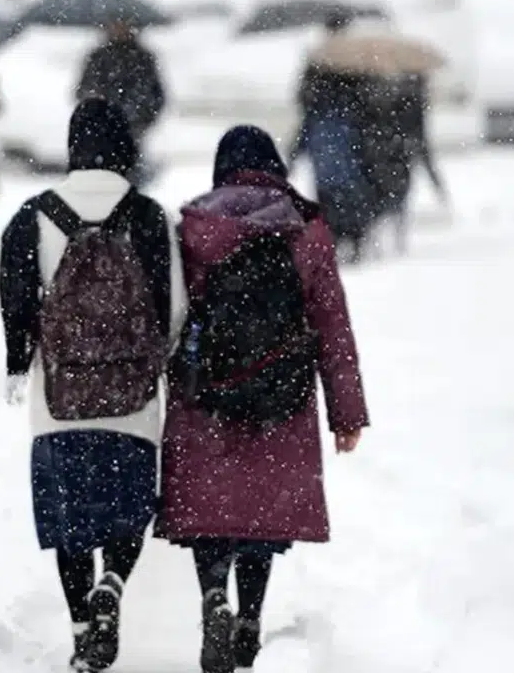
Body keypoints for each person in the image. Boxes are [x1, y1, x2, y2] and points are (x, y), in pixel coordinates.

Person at [157, 126, 369, 673]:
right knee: (259, 515)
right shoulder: (305, 229)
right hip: (282, 395)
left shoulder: (194, 228)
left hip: (206, 397)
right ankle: (249, 618)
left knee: (211, 513)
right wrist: (347, 413)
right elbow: (333, 327)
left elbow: (170, 317)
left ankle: (214, 596)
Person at [0, 99, 185, 672]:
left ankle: (83, 629)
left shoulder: (34, 216)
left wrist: (18, 362)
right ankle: (113, 582)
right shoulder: (149, 217)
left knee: (71, 522)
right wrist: (153, 360)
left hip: (60, 399)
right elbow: (174, 308)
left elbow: (16, 302)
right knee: (129, 509)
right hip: (132, 399)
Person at [286, 13, 379, 264]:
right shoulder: (356, 60)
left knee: (329, 190)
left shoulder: (319, 60)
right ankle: (351, 237)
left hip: (325, 135)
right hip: (345, 136)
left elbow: (304, 99)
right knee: (348, 188)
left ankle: (336, 238)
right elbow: (367, 103)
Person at [361, 73, 449, 255]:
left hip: (383, 157)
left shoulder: (382, 94)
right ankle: (395, 242)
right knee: (397, 201)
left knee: (382, 201)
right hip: (399, 159)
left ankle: (382, 241)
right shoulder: (412, 101)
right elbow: (421, 141)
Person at [76, 18, 167, 187]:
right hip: (103, 127)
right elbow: (82, 90)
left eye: (124, 25)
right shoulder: (98, 57)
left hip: (133, 125)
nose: (119, 29)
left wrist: (144, 118)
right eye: (115, 25)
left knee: (131, 171)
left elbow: (156, 94)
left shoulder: (143, 58)